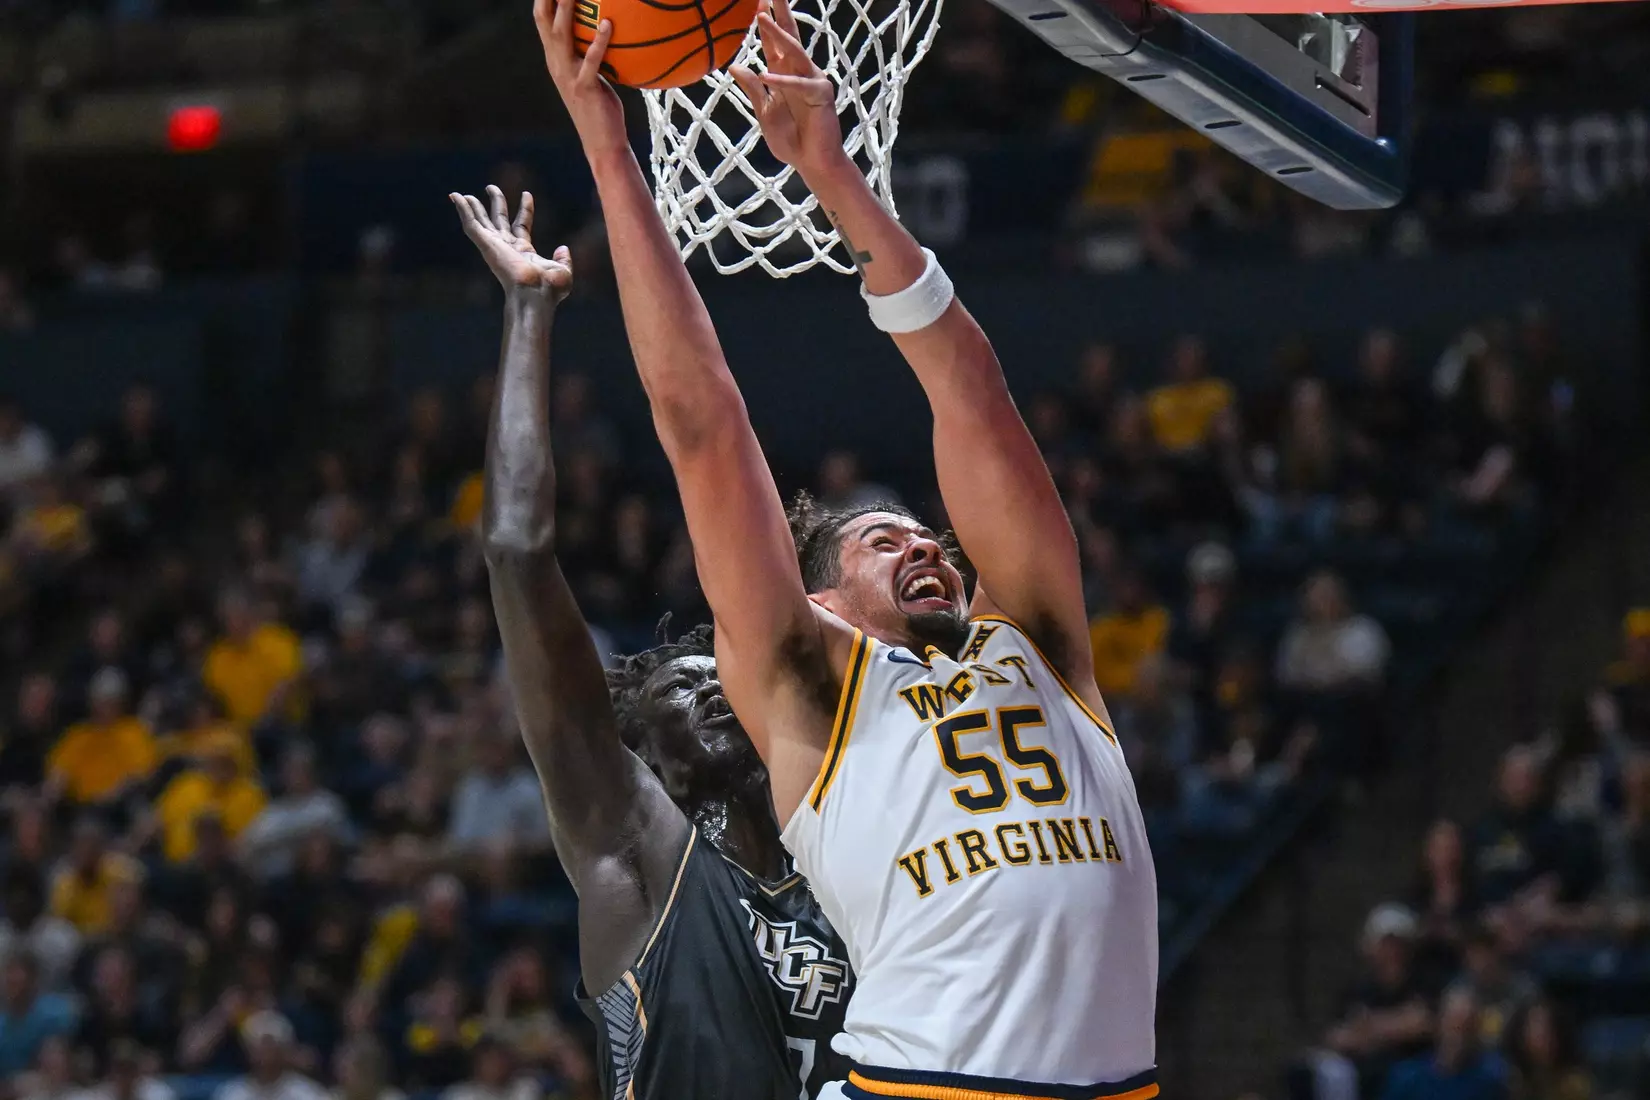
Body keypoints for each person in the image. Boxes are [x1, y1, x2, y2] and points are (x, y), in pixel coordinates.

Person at [536, 0, 1157, 1095]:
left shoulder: (1045, 645)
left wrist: (837, 178)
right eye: (883, 539)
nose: (928, 542)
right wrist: (606, 146)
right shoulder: (811, 685)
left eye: (930, 535)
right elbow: (701, 421)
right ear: (821, 604)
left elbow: (973, 393)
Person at [449, 175, 851, 1100]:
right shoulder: (637, 848)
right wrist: (528, 315)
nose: (713, 687)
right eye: (682, 687)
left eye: (722, 676)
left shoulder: (845, 857)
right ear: (644, 757)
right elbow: (516, 553)